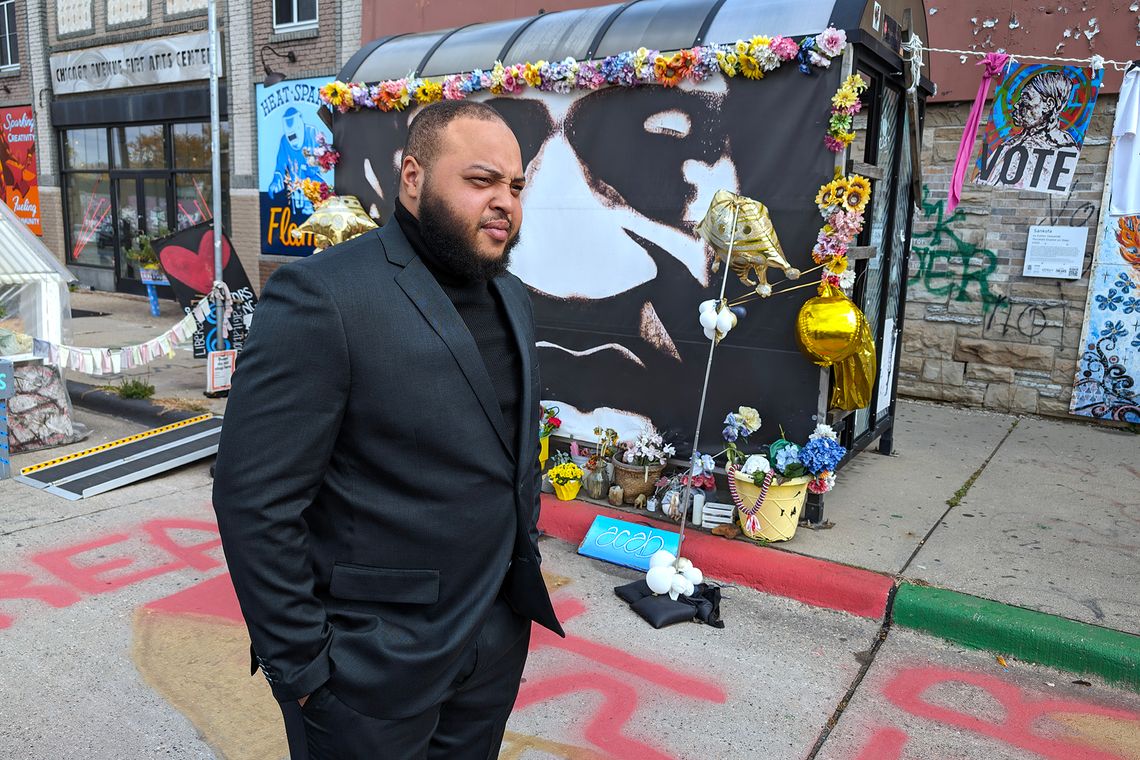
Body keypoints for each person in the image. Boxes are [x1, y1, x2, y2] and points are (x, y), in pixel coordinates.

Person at [212, 99, 563, 759]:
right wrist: (306, 672)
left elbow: (504, 459)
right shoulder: (324, 296)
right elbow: (252, 498)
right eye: (480, 180)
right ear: (412, 177)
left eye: (515, 187)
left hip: (492, 645)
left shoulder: (511, 297)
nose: (504, 203)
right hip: (366, 671)